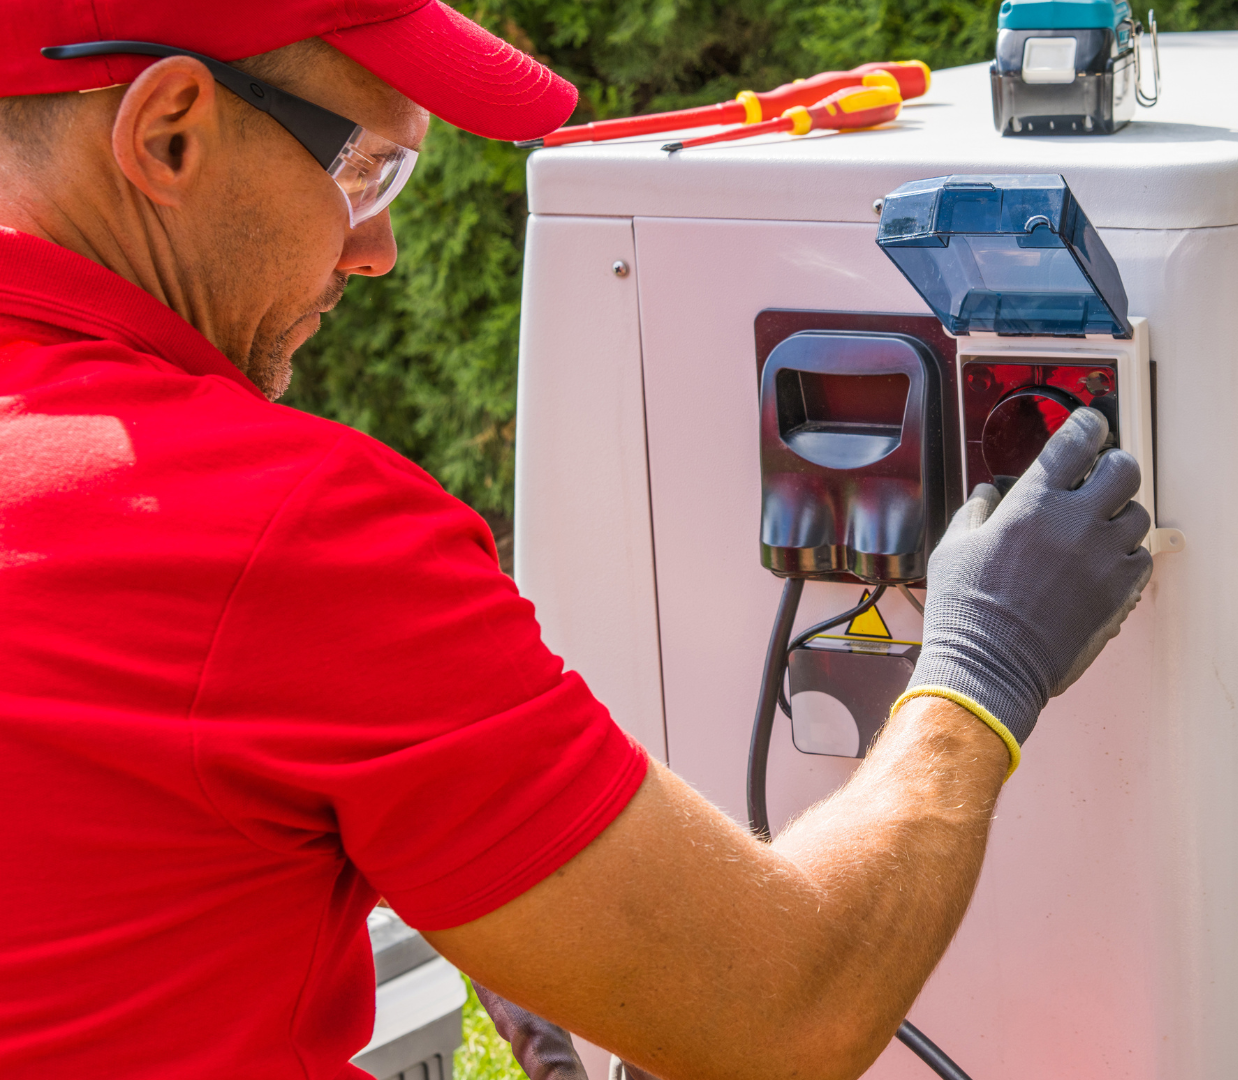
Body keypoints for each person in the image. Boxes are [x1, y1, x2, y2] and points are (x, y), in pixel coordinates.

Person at [0, 4, 1155, 1078]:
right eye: (363, 169)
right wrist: (981, 666)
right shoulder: (275, 531)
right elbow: (789, 1009)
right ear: (168, 137)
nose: (379, 249)